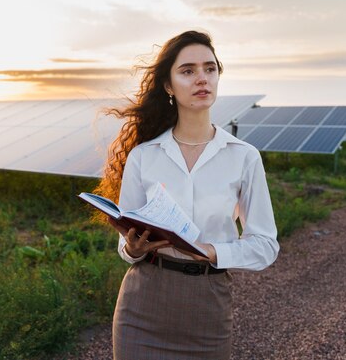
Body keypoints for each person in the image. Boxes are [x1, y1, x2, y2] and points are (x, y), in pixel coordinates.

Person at [94, 30, 279, 360]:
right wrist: (132, 247)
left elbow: (265, 246)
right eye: (188, 70)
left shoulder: (243, 156)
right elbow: (125, 243)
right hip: (143, 302)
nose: (202, 78)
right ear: (168, 85)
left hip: (207, 303)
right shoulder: (144, 156)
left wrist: (212, 251)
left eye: (210, 68)